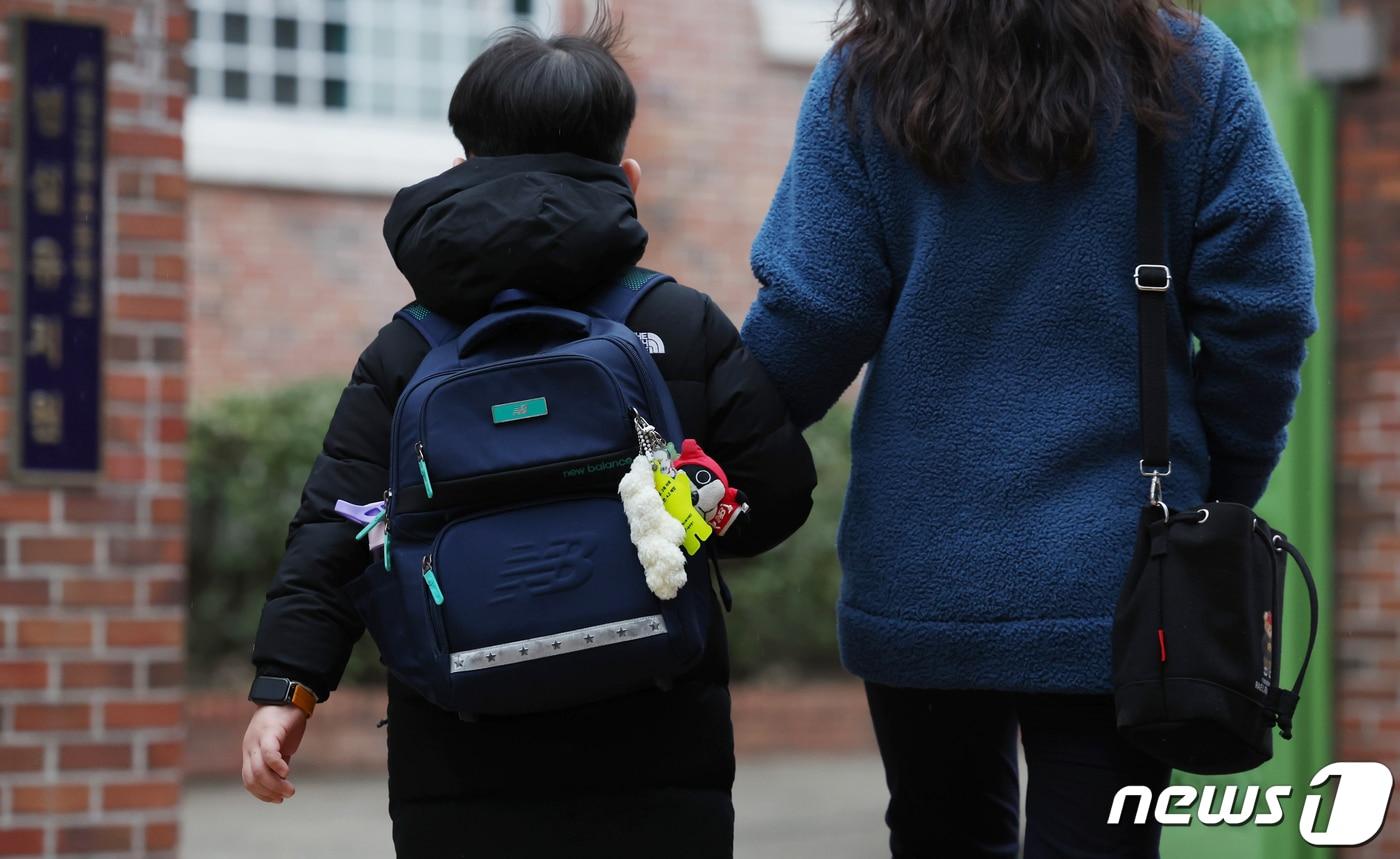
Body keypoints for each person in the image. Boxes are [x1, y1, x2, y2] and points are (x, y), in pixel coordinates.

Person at [740, 1, 1316, 857]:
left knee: (944, 835)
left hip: (920, 575)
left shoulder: (866, 78)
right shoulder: (1188, 67)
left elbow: (809, 324)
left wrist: (703, 461)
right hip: (1125, 582)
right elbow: (1265, 312)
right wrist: (1217, 497)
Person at [239, 13, 816, 858]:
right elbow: (779, 495)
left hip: (459, 755)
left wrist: (285, 687)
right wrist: (689, 519)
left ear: (462, 168)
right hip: (657, 751)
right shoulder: (674, 321)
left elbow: (338, 526)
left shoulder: (410, 345)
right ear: (626, 175)